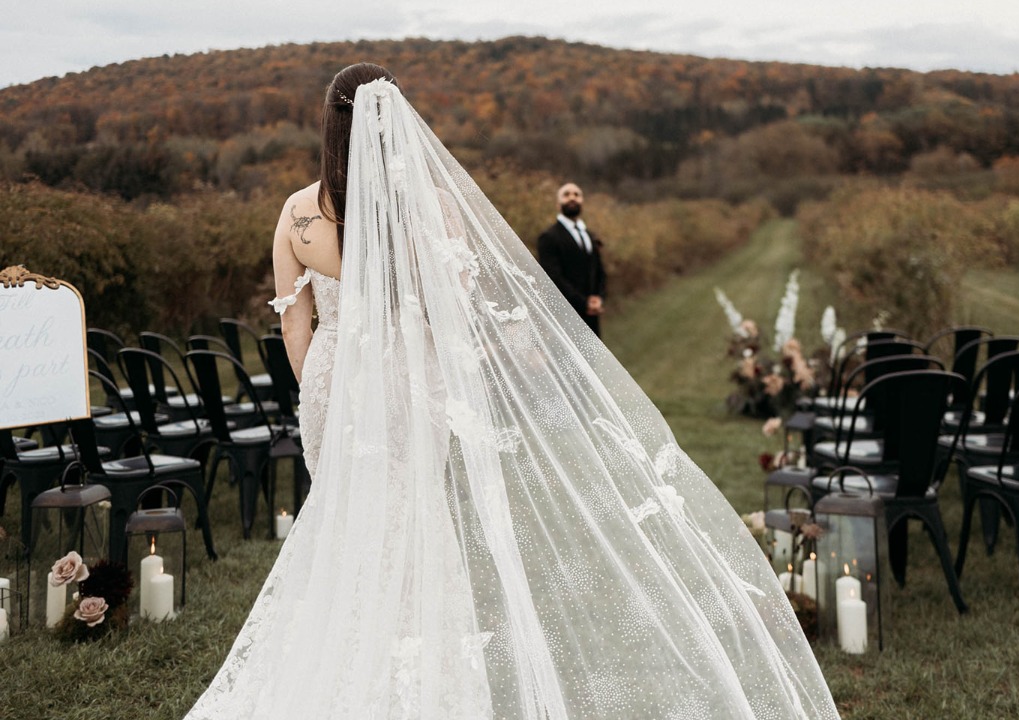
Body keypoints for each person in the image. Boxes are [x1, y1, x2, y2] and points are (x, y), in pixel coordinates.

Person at [184, 64, 839, 719]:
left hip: (335, 389)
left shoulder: (298, 214)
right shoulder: (432, 210)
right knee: (414, 520)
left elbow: (294, 322)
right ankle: (415, 679)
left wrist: (328, 392)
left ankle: (343, 667)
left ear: (332, 123)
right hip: (410, 387)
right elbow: (454, 315)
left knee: (347, 524)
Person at [537, 183, 606, 336]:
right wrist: (583, 303)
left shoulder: (589, 234)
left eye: (576, 194)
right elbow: (553, 278)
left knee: (594, 359)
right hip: (565, 317)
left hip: (592, 316)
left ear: (582, 201)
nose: (572, 198)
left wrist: (599, 298)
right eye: (566, 194)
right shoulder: (549, 237)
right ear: (558, 203)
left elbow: (599, 270)